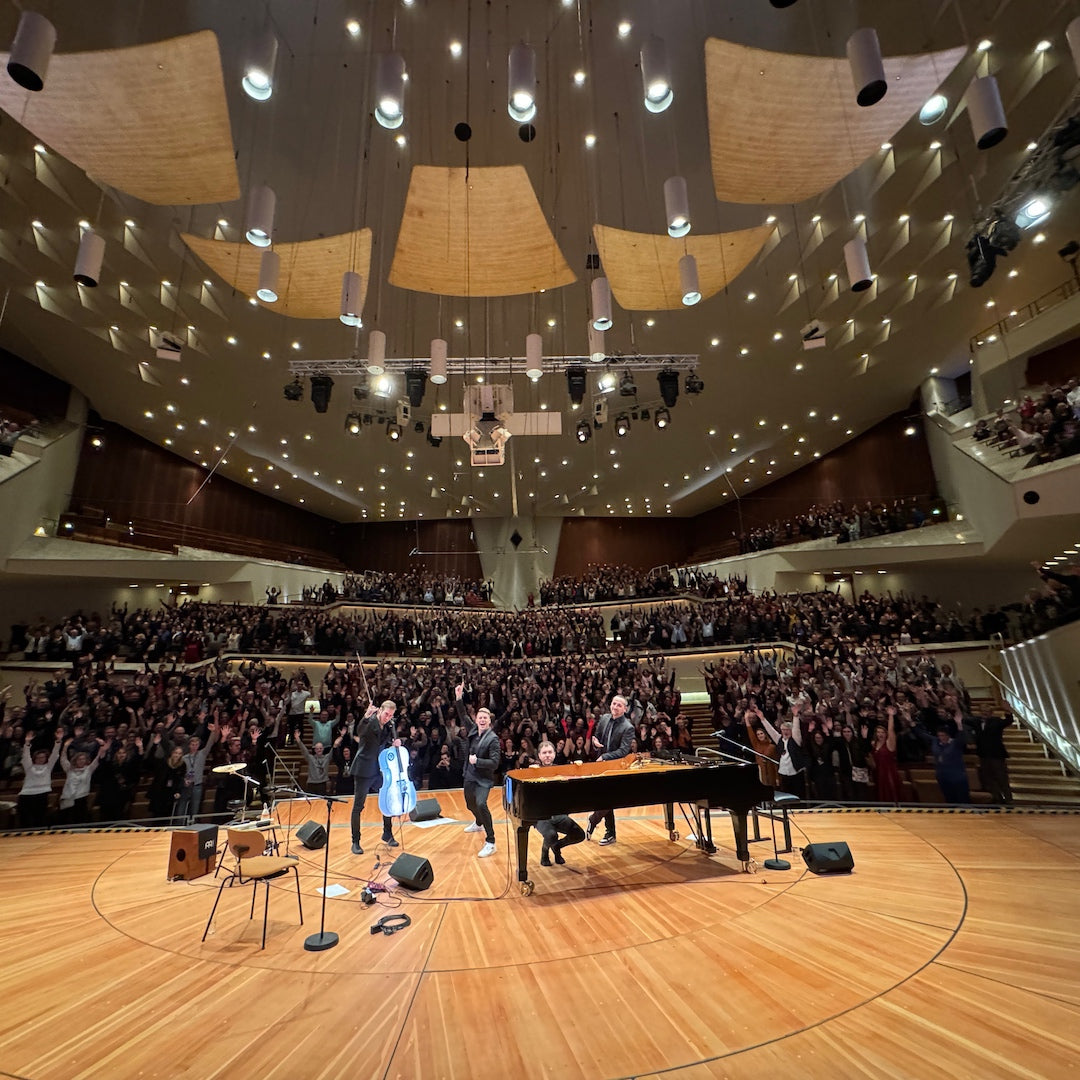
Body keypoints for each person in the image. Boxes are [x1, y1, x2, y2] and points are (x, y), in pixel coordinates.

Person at [348, 699, 400, 855]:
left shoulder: (389, 726)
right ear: (380, 711)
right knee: (358, 806)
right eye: (386, 714)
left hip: (378, 770)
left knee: (387, 801)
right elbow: (360, 730)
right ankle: (355, 841)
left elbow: (384, 744)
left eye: (390, 715)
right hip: (363, 770)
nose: (388, 717)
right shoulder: (370, 722)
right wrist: (366, 715)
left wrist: (394, 743)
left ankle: (387, 834)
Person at [455, 681, 501, 858]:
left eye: (485, 718)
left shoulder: (493, 739)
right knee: (470, 804)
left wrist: (478, 761)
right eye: (480, 717)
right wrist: (459, 697)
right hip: (469, 776)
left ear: (489, 721)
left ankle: (491, 841)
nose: (482, 720)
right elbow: (462, 714)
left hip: (484, 779)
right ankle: (478, 822)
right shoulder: (473, 729)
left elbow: (494, 763)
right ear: (476, 720)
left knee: (481, 804)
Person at [585, 694, 634, 846]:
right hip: (600, 764)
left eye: (619, 705)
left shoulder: (628, 727)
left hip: (615, 767)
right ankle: (610, 833)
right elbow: (596, 738)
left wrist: (605, 756)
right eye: (614, 703)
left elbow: (624, 751)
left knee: (609, 798)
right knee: (605, 798)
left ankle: (595, 820)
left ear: (625, 709)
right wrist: (595, 742)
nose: (615, 707)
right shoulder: (605, 718)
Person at [533, 740, 585, 866]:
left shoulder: (561, 771)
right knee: (551, 835)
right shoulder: (532, 772)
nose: (547, 755)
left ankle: (556, 847)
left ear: (555, 754)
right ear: (539, 755)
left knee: (579, 835)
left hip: (559, 815)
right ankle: (545, 852)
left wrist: (578, 768)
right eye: (544, 753)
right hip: (541, 817)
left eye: (550, 752)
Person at [968, 705, 1013, 805]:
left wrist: (1008, 712)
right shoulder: (976, 722)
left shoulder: (996, 721)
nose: (985, 713)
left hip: (996, 755)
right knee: (988, 779)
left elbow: (1008, 721)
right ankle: (997, 799)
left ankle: (1009, 800)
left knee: (1001, 778)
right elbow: (964, 720)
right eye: (983, 711)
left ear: (991, 713)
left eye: (987, 711)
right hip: (983, 755)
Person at [759, 705, 807, 799]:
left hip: (795, 773)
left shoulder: (795, 740)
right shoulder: (779, 739)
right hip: (783, 772)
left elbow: (796, 729)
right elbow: (771, 731)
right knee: (785, 795)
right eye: (783, 730)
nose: (785, 732)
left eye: (787, 730)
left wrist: (796, 716)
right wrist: (762, 719)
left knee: (798, 795)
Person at [18, 728, 62, 827]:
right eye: (38, 757)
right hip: (27, 794)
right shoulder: (29, 766)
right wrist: (27, 743)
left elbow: (55, 755)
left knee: (40, 818)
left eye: (43, 757)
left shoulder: (48, 766)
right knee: (25, 819)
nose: (40, 759)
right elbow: (26, 756)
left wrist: (58, 741)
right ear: (35, 758)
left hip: (42, 793)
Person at [932, 713, 970, 804]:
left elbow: (961, 738)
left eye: (944, 735)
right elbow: (922, 734)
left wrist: (959, 724)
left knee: (963, 800)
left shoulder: (955, 743)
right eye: (940, 736)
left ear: (948, 735)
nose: (942, 738)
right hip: (943, 777)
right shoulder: (936, 742)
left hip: (957, 777)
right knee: (949, 800)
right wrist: (911, 723)